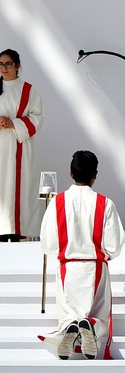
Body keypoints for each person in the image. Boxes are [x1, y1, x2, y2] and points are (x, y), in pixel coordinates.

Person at [39, 149, 125, 361]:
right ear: (95, 174)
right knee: (99, 315)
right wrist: (104, 254)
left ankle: (71, 326)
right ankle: (92, 326)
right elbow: (115, 244)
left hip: (67, 267)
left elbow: (48, 243)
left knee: (68, 313)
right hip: (94, 266)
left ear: (70, 173)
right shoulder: (105, 203)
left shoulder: (57, 202)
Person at [0, 46, 44, 240]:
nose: (4, 68)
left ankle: (18, 231)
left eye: (8, 64)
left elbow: (38, 117)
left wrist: (14, 124)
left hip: (19, 148)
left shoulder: (28, 90)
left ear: (17, 65)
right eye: (1, 64)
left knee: (20, 188)